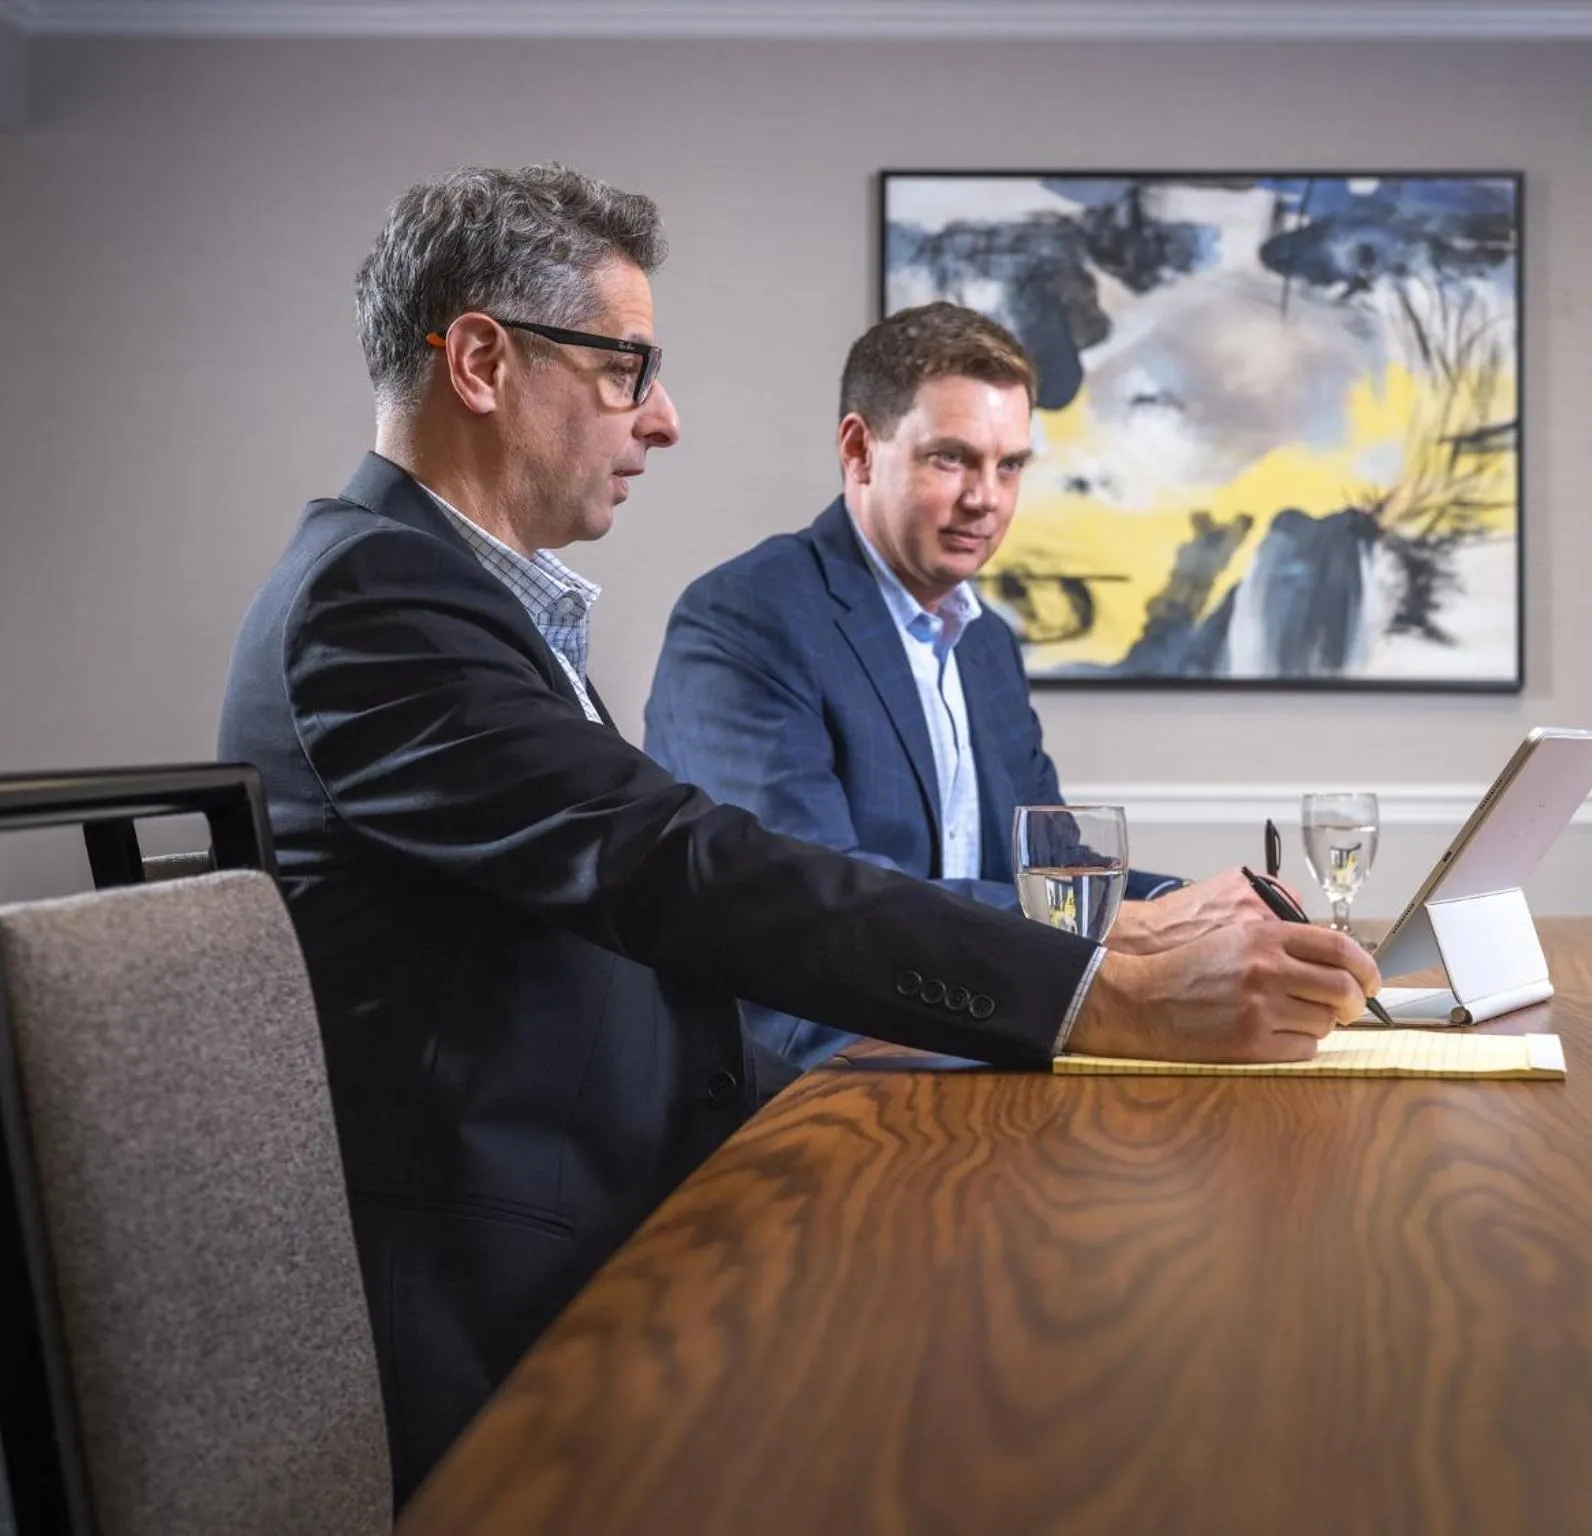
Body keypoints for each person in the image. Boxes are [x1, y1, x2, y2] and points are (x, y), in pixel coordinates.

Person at [219, 165, 1380, 1506]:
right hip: (515, 1278)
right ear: (480, 361)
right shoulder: (376, 601)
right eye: (624, 368)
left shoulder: (439, 592)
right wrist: (1105, 995)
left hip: (620, 1186)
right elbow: (687, 869)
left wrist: (1142, 938)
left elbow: (679, 883)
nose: (662, 418)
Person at [646, 302, 1274, 1068]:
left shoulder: (986, 642)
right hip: (808, 1064)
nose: (987, 498)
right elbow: (812, 896)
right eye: (952, 459)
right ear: (859, 450)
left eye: (1009, 466)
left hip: (972, 1037)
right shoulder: (747, 616)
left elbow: (1051, 868)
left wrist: (1193, 905)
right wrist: (1123, 927)